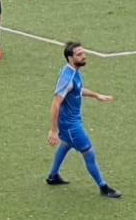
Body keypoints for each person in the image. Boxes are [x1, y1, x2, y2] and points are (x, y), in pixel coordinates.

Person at [46, 41, 121, 197]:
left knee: (66, 144)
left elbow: (77, 89)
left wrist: (96, 95)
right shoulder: (67, 77)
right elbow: (55, 104)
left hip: (72, 122)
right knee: (89, 152)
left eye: (83, 53)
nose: (84, 56)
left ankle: (53, 176)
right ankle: (104, 187)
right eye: (79, 54)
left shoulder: (74, 72)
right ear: (70, 58)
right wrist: (54, 130)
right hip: (70, 124)